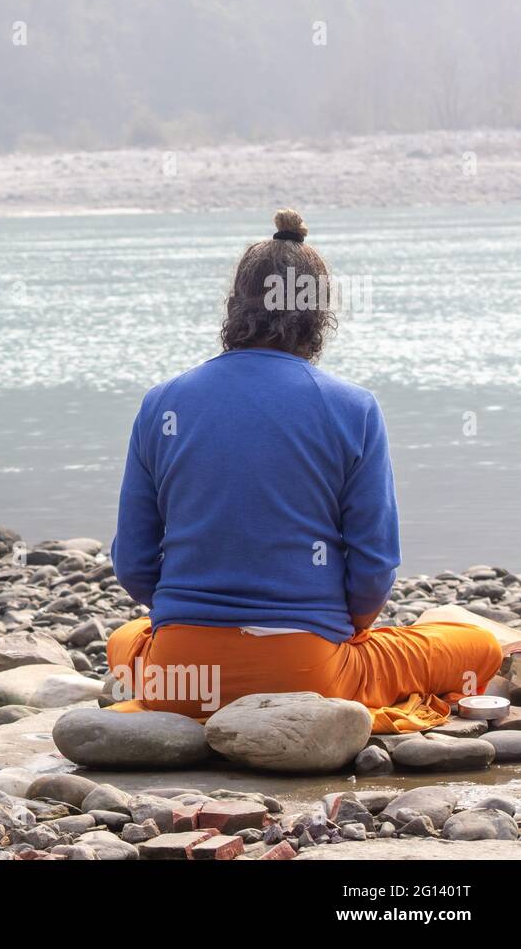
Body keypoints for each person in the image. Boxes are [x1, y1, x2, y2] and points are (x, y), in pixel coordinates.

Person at [106, 208, 505, 732]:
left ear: (234, 307)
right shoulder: (353, 407)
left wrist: (193, 619)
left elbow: (134, 565)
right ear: (320, 315)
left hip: (180, 678)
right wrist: (349, 630)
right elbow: (374, 568)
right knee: (476, 644)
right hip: (307, 674)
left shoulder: (162, 404)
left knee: (124, 639)